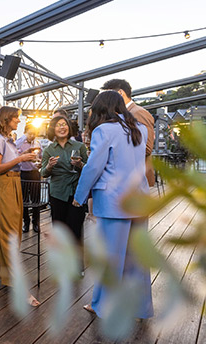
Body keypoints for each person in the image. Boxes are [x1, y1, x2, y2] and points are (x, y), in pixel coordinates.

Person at [72, 91, 153, 319]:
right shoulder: (141, 129)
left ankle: (103, 306)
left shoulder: (103, 130)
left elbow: (94, 167)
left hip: (113, 202)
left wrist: (80, 195)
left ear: (101, 108)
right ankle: (141, 308)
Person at [0, 106, 40, 307]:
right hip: (5, 184)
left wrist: (23, 154)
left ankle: (4, 274)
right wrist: (21, 158)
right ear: (6, 119)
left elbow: (10, 162)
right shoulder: (0, 140)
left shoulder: (8, 140)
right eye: (16, 118)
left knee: (13, 231)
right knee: (9, 233)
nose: (19, 122)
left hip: (15, 184)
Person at [41, 115, 89, 266]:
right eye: (58, 125)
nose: (62, 127)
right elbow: (43, 173)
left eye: (64, 124)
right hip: (58, 193)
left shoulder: (79, 147)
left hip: (76, 192)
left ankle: (77, 265)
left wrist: (80, 165)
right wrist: (49, 166)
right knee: (59, 231)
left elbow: (89, 170)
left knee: (76, 230)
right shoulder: (49, 150)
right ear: (53, 130)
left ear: (69, 128)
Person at [101, 79, 155, 187]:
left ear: (120, 93)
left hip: (136, 179)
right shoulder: (124, 114)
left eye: (109, 95)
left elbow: (147, 148)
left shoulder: (138, 113)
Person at [15, 123, 42, 233]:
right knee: (24, 200)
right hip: (23, 173)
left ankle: (36, 223)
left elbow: (41, 157)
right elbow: (15, 157)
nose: (32, 136)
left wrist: (40, 162)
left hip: (35, 172)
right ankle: (26, 222)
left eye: (34, 134)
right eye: (30, 133)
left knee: (36, 199)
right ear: (25, 133)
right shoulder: (19, 143)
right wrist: (24, 154)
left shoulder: (38, 143)